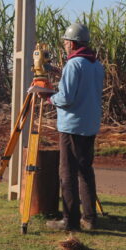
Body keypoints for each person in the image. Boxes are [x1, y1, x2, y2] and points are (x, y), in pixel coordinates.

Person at [44, 22, 105, 231]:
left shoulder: (74, 65)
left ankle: (69, 221)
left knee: (68, 173)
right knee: (85, 171)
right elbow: (84, 87)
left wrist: (49, 97)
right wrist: (57, 72)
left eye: (65, 43)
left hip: (72, 126)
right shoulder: (95, 64)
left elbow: (67, 97)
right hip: (90, 125)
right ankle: (89, 218)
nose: (64, 46)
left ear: (71, 43)